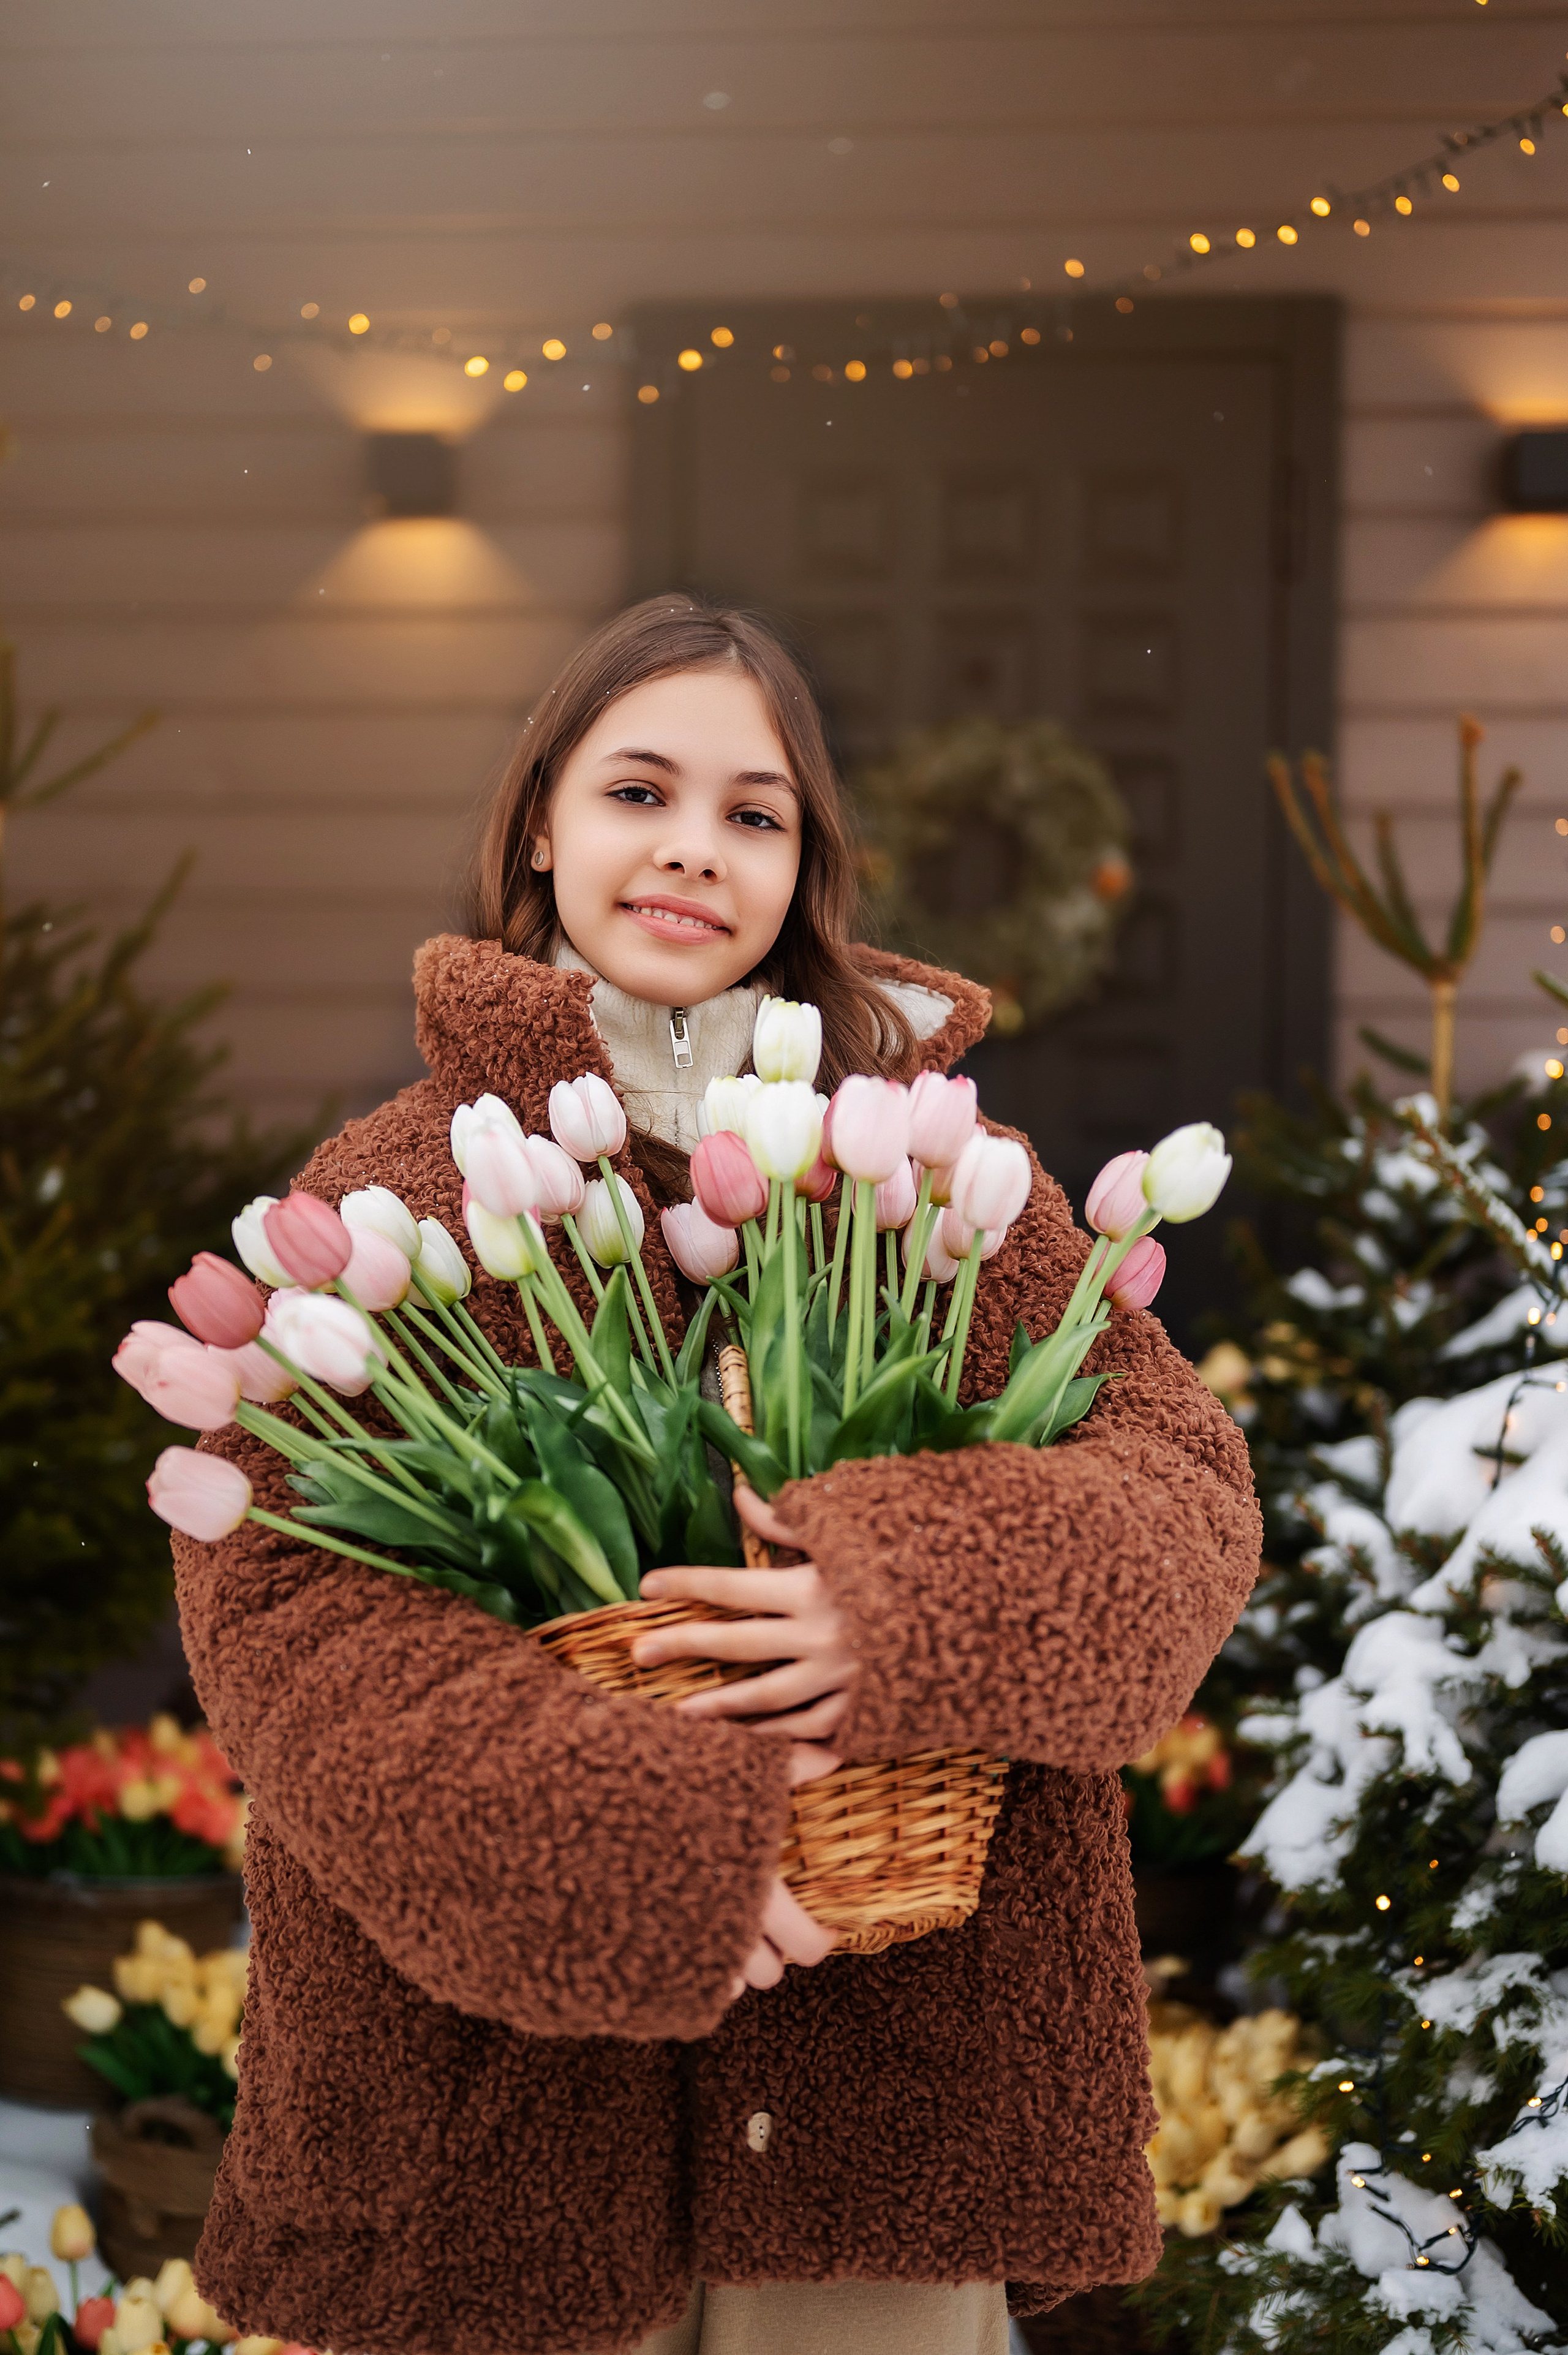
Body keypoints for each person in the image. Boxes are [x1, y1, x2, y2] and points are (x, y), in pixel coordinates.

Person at [175, 595, 1262, 2355]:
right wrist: (626, 1846)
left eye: (754, 814)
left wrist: (905, 1597)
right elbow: (290, 1613)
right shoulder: (402, 1189)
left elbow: (1180, 1490)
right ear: (544, 822)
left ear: (803, 864)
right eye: (640, 792)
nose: (694, 848)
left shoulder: (924, 1166)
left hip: (891, 2112)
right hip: (495, 2143)